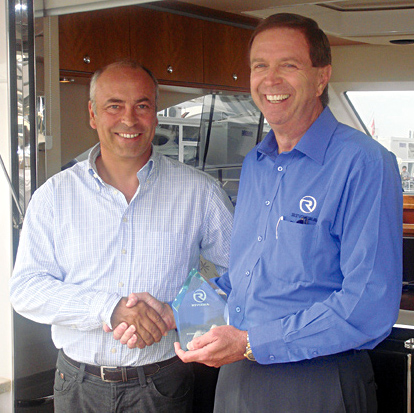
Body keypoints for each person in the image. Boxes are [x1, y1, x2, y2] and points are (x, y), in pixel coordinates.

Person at [114, 13, 403, 413]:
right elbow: (245, 279)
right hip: (238, 379)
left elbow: (368, 306)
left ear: (322, 77)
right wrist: (176, 312)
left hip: (317, 382)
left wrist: (252, 343)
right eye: (260, 66)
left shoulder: (364, 163)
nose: (271, 79)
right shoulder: (256, 163)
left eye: (289, 65)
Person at [10, 61, 233, 413]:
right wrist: (109, 309)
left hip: (163, 383)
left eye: (142, 106)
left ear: (155, 114)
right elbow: (26, 289)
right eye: (114, 106)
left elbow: (239, 275)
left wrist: (177, 313)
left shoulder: (200, 192)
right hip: (77, 384)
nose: (129, 120)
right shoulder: (53, 196)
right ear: (93, 114)